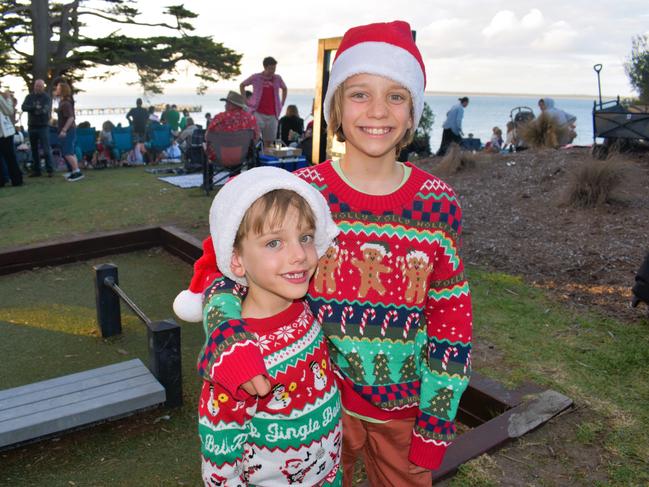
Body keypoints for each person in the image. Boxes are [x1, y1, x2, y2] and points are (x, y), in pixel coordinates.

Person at [174, 20, 472, 487]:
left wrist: (436, 422)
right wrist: (226, 337)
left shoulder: (438, 205)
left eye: (396, 96)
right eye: (359, 94)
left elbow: (452, 319)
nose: (378, 110)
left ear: (414, 113)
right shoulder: (299, 193)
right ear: (334, 106)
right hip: (318, 403)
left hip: (406, 413)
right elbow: (219, 272)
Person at [195, 166, 342, 485]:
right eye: (274, 243)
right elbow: (220, 455)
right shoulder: (235, 357)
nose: (300, 255)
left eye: (305, 238)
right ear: (237, 260)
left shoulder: (306, 308)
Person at [240, 56, 288, 148]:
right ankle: (252, 157)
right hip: (257, 112)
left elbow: (285, 89)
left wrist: (282, 103)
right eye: (270, 68)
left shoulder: (277, 78)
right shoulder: (256, 77)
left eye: (274, 68)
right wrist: (245, 100)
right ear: (265, 67)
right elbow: (242, 85)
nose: (272, 71)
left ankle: (266, 159)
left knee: (269, 141)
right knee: (254, 137)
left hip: (273, 114)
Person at [205, 90, 259, 161]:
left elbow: (207, 136)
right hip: (244, 156)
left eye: (226, 103)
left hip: (221, 156)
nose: (225, 105)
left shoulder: (219, 118)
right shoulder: (251, 118)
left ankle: (209, 171)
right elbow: (256, 137)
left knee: (205, 146)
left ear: (231, 104)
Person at [21, 79, 54, 177]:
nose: (38, 87)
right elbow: (23, 107)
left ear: (43, 87)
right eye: (37, 86)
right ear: (34, 86)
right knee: (34, 150)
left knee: (46, 149)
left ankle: (50, 170)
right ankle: (37, 170)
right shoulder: (29, 96)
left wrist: (33, 108)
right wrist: (34, 108)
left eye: (40, 86)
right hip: (31, 126)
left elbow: (44, 110)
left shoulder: (46, 97)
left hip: (43, 126)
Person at [54, 80, 84, 181]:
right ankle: (75, 171)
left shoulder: (65, 103)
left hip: (69, 130)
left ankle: (77, 172)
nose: (56, 90)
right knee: (70, 152)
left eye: (58, 88)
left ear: (62, 90)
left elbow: (71, 118)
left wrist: (64, 130)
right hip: (69, 130)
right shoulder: (63, 102)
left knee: (67, 152)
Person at [0, 88, 23, 187]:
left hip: (4, 131)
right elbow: (9, 111)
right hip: (4, 132)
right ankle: (16, 179)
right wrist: (8, 99)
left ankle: (2, 180)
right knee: (10, 157)